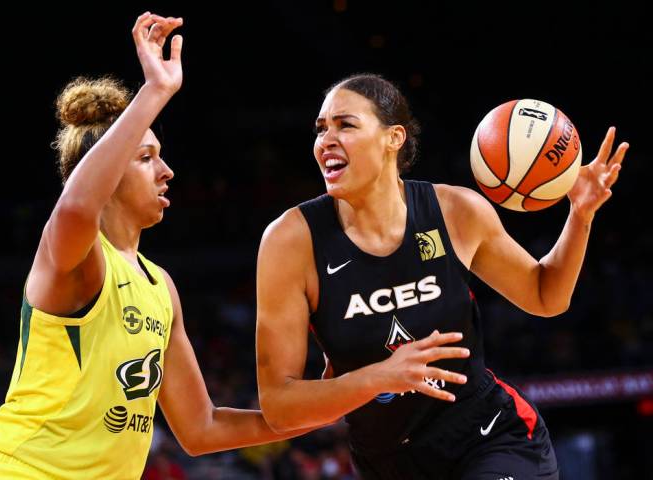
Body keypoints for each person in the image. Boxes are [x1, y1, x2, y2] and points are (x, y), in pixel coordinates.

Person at [0, 12, 310, 480]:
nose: (166, 171)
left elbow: (202, 428)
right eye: (146, 158)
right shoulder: (78, 258)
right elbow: (75, 210)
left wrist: (322, 409)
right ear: (102, 172)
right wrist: (156, 91)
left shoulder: (160, 286)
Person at [255, 73, 628, 479]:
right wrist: (379, 376)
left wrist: (581, 214)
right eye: (321, 129)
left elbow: (545, 296)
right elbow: (279, 407)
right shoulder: (291, 241)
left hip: (488, 436)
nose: (326, 139)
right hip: (387, 462)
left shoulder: (455, 212)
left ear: (393, 138)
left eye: (345, 124)